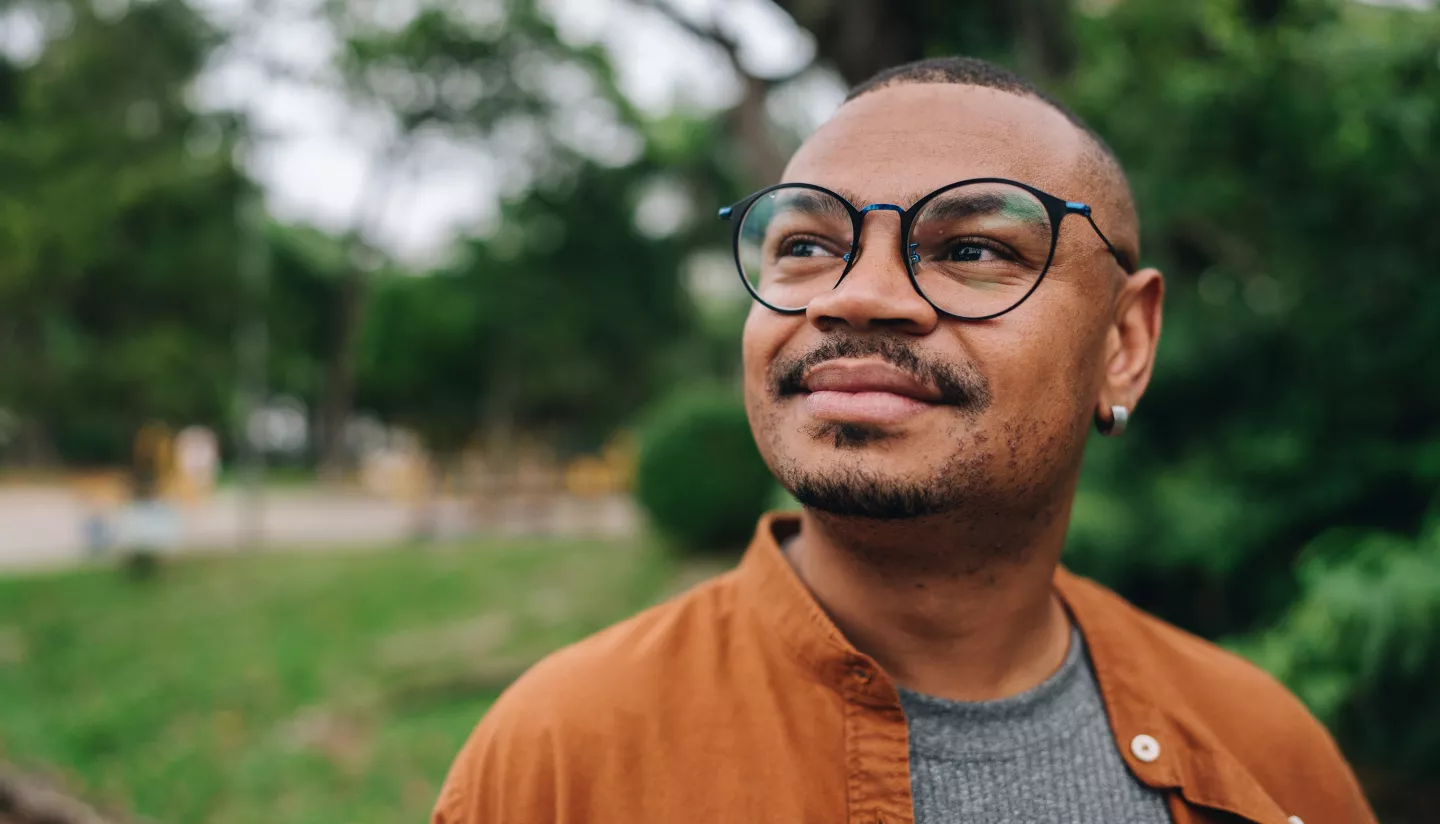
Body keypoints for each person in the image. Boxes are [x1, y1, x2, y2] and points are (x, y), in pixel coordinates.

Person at [433, 57, 1375, 824]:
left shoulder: (1267, 753)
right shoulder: (561, 762)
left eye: (971, 250)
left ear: (1123, 346)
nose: (855, 295)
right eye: (804, 245)